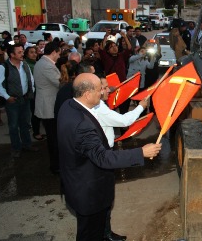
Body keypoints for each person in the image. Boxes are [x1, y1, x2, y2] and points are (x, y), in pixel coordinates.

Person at [57, 73, 161, 241]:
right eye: (100, 90)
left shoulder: (68, 105)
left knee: (87, 230)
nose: (103, 93)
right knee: (91, 233)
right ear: (87, 94)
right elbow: (103, 158)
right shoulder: (82, 125)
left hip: (75, 180)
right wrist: (141, 152)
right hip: (88, 191)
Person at [95, 76, 148, 241]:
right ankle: (105, 235)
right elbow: (125, 121)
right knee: (104, 199)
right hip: (104, 153)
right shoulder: (99, 108)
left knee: (106, 199)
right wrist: (141, 107)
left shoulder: (99, 104)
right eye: (103, 87)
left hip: (104, 151)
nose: (108, 89)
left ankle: (106, 233)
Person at [0, 43, 37, 158]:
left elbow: (31, 80)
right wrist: (7, 97)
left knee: (26, 123)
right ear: (12, 54)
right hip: (13, 101)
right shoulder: (3, 67)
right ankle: (16, 148)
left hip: (25, 99)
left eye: (22, 51)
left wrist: (29, 91)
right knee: (13, 126)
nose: (22, 53)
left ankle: (27, 144)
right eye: (19, 52)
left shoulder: (25, 65)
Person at [34, 42, 61, 174]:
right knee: (53, 137)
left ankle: (56, 163)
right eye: (59, 53)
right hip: (48, 105)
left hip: (46, 103)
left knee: (53, 136)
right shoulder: (47, 66)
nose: (59, 56)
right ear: (54, 52)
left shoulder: (41, 63)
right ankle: (56, 165)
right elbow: (59, 83)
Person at [24, 45, 44, 141]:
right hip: (33, 93)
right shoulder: (26, 65)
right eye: (31, 52)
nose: (34, 54)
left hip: (39, 91)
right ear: (27, 54)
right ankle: (36, 132)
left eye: (35, 52)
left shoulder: (36, 63)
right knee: (35, 113)